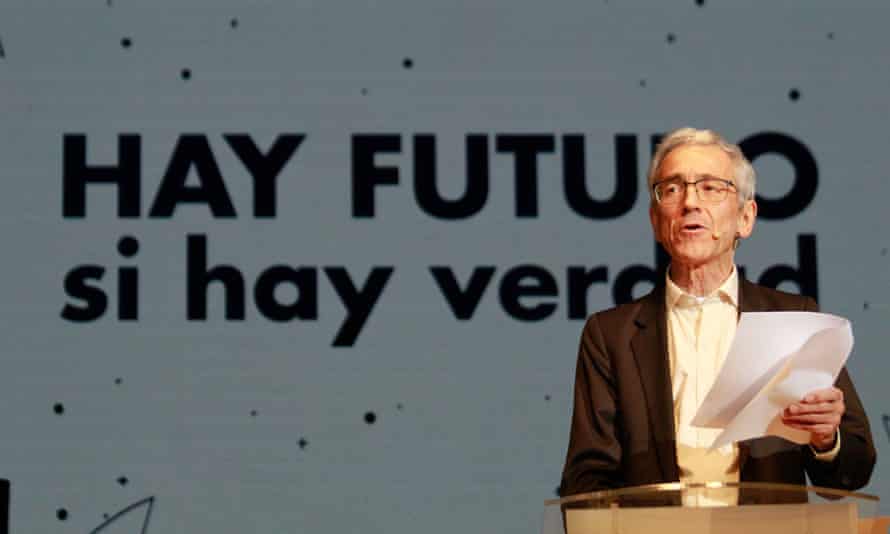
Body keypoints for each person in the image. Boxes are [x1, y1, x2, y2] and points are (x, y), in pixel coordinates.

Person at [559, 127, 875, 501]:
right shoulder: (611, 335)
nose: (690, 202)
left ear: (745, 217)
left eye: (711, 187)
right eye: (672, 189)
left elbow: (853, 471)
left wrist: (825, 438)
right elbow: (586, 483)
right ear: (656, 221)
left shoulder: (793, 319)